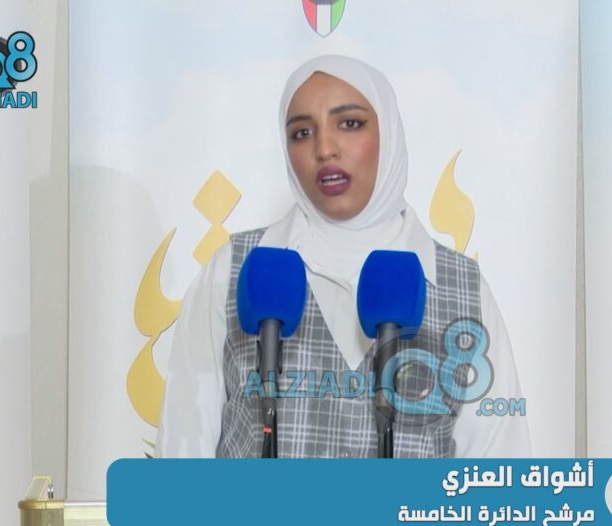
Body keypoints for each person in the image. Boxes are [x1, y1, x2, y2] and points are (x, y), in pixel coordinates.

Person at [156, 54, 530, 458]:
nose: (324, 148)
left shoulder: (462, 287)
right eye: (302, 132)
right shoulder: (233, 270)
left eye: (349, 123)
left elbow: (500, 473)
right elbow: (181, 462)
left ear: (389, 133)